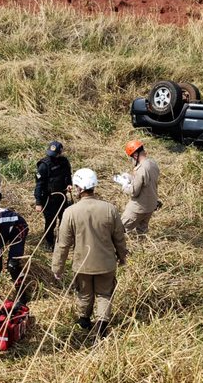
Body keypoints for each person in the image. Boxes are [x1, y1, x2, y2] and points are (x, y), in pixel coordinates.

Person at [52, 168, 128, 340]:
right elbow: (119, 238)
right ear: (94, 186)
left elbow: (62, 244)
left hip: (82, 264)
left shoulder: (70, 212)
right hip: (106, 263)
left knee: (84, 294)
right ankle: (101, 327)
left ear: (78, 188)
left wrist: (57, 267)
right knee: (104, 295)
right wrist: (123, 257)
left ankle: (84, 321)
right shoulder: (110, 209)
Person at [114, 140, 160, 235]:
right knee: (142, 231)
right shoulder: (153, 163)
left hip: (139, 207)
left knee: (119, 229)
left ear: (135, 155)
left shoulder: (141, 169)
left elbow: (134, 192)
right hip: (151, 205)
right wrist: (131, 177)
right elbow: (147, 181)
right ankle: (143, 246)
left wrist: (124, 185)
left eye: (131, 157)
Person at [34, 141, 73, 251]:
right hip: (48, 199)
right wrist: (38, 202)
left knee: (64, 220)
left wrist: (69, 184)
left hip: (62, 196)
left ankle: (62, 240)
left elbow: (68, 175)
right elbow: (39, 185)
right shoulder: (43, 165)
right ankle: (49, 242)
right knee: (50, 222)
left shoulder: (64, 162)